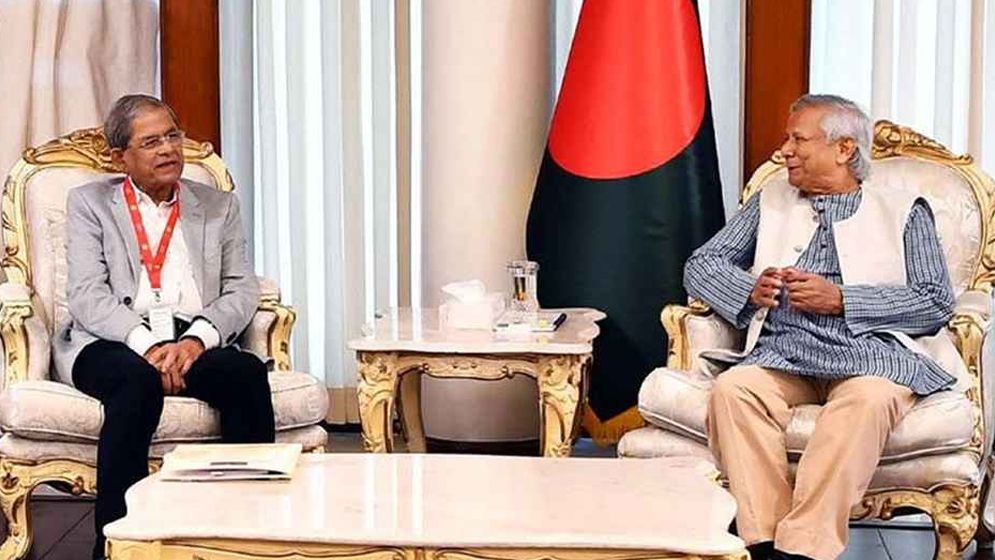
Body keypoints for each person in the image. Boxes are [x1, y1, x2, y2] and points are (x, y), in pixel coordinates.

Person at [684, 94, 957, 560]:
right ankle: (763, 542)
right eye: (787, 139)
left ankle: (803, 548)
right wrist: (749, 290)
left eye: (798, 139)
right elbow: (701, 264)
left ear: (844, 149)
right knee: (734, 390)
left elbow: (935, 301)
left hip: (870, 356)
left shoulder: (904, 210)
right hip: (782, 353)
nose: (785, 150)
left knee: (868, 401)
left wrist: (843, 300)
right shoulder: (771, 200)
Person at [55, 94, 276, 559]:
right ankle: (118, 543)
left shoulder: (218, 205)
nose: (168, 149)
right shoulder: (90, 203)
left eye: (172, 136)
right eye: (151, 142)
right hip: (113, 338)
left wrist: (197, 339)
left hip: (192, 335)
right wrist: (149, 346)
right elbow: (88, 294)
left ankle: (242, 538)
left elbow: (241, 288)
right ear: (121, 157)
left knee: (246, 374)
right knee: (135, 383)